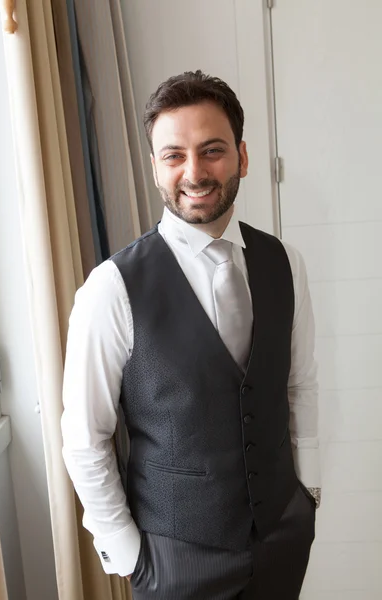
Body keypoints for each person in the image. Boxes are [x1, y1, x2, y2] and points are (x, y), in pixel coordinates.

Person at [61, 70, 321, 600]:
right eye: (174, 154)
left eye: (212, 150)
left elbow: (300, 386)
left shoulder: (285, 263)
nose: (194, 171)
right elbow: (85, 436)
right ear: (155, 166)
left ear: (242, 158)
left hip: (281, 541)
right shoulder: (111, 289)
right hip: (174, 558)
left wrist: (308, 494)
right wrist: (129, 555)